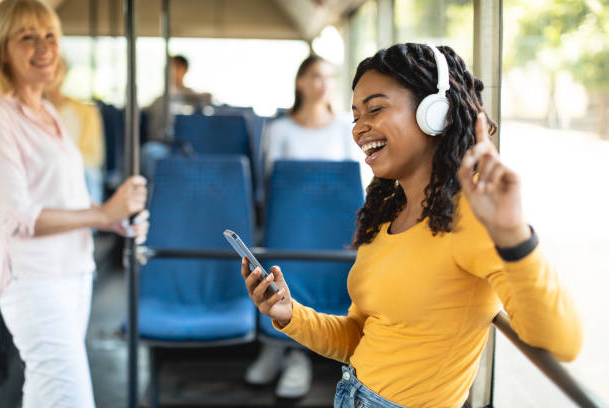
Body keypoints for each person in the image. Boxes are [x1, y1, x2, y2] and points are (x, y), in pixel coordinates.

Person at [240, 43, 582, 408]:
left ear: (434, 113)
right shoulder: (385, 215)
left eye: (375, 109)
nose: (359, 129)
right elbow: (359, 338)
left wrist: (514, 235)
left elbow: (561, 341)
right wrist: (291, 314)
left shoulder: (470, 219)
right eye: (355, 115)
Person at [0, 1, 149, 407]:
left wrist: (115, 222)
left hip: (74, 272)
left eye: (49, 36)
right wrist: (102, 213)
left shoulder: (50, 112)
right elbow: (17, 217)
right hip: (34, 281)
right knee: (71, 396)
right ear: (2, 50)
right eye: (27, 37)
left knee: (46, 390)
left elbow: (70, 200)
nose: (43, 47)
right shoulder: (1, 117)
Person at [247, 54, 364, 399]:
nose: (323, 84)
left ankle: (295, 353)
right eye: (315, 76)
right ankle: (281, 347)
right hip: (291, 224)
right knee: (286, 271)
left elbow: (352, 187)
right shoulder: (280, 129)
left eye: (328, 77)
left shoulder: (346, 127)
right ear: (300, 82)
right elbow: (271, 187)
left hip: (335, 230)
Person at [45, 58, 106, 204]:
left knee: (88, 175)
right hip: (46, 170)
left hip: (77, 169)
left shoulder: (85, 112)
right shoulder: (24, 111)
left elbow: (94, 156)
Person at [141, 55, 213, 177]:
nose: (169, 72)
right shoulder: (159, 100)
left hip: (189, 146)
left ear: (183, 69)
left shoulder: (196, 98)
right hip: (164, 145)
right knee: (150, 152)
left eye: (173, 68)